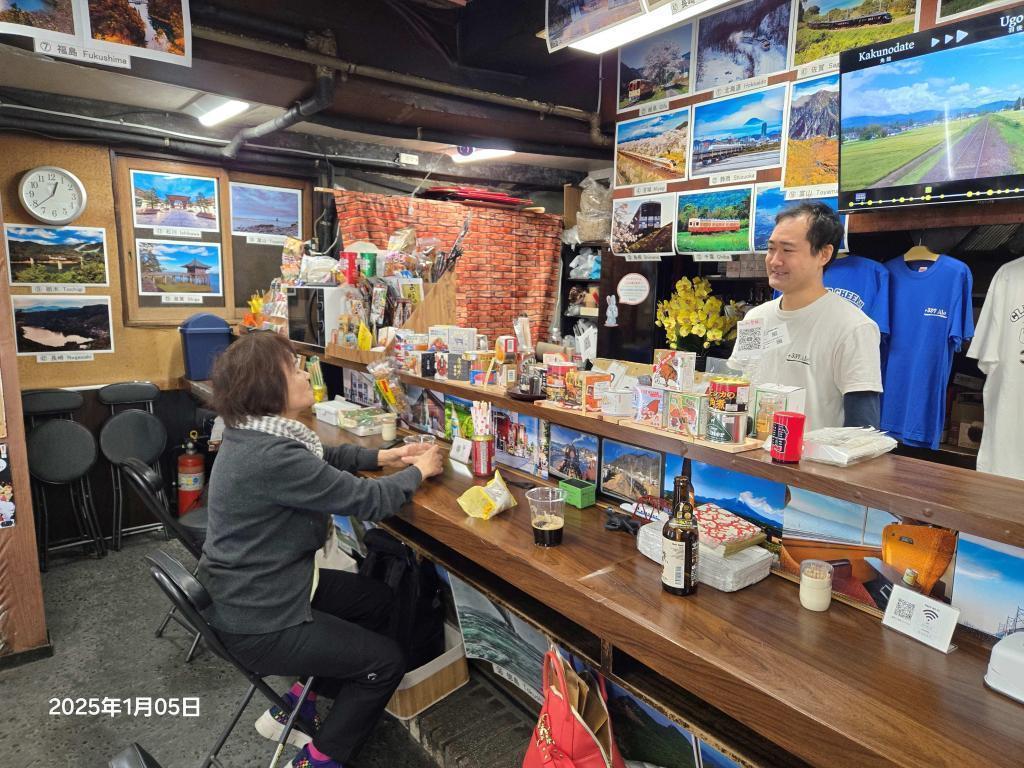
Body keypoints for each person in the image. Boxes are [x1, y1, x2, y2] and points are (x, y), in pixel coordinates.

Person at [198, 331, 444, 768]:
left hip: (256, 591)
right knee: (385, 662)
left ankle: (302, 699)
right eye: (293, 368)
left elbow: (321, 460)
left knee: (376, 601)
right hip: (259, 618)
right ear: (267, 386)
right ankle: (320, 758)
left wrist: (386, 458)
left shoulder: (256, 436)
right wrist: (420, 471)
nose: (302, 373)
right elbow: (370, 502)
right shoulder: (272, 456)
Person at [728, 202, 882, 431]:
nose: (775, 260)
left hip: (809, 464)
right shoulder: (755, 318)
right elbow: (739, 384)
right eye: (771, 249)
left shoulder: (854, 327)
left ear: (824, 254)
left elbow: (863, 431)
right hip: (748, 461)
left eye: (788, 250)